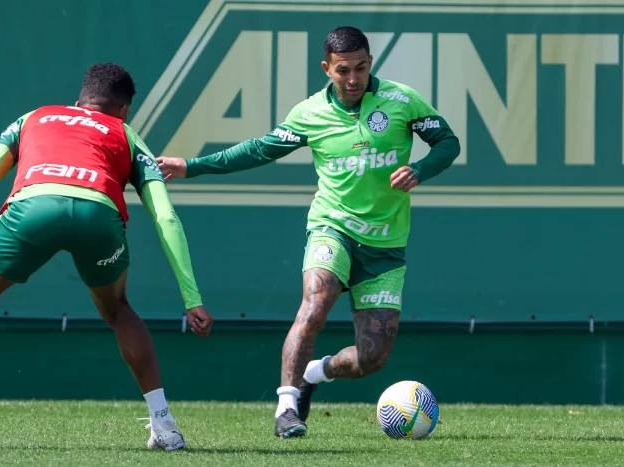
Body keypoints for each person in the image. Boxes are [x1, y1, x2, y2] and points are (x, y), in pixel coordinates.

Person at [157, 26, 461, 438]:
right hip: (331, 228)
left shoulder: (402, 100)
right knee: (315, 304)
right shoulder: (309, 113)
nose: (353, 79)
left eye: (361, 68)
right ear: (326, 68)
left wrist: (420, 169)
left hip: (385, 245)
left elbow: (447, 142)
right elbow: (258, 149)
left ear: (370, 62)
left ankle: (314, 374)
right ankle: (287, 405)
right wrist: (192, 165)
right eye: (343, 70)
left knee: (372, 358)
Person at [0, 62, 213, 451]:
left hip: (33, 207)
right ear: (124, 109)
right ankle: (164, 426)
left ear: (80, 99)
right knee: (117, 310)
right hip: (99, 214)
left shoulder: (35, 117)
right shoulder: (126, 134)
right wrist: (191, 298)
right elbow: (165, 215)